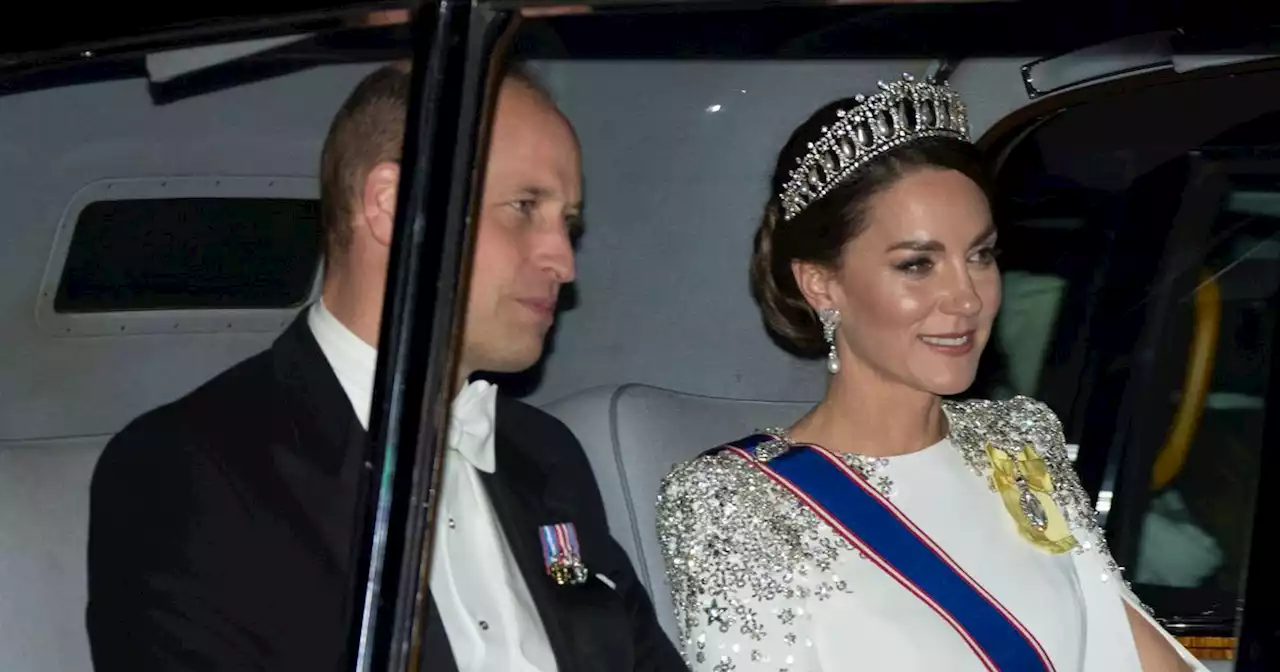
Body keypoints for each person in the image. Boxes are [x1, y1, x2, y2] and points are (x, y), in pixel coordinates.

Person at [86, 60, 684, 671]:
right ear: (393, 207)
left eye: (568, 223)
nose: (563, 259)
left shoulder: (546, 457)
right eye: (525, 206)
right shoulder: (190, 468)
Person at [655, 74, 1207, 671]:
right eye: (917, 264)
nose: (966, 297)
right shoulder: (739, 502)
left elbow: (1123, 644)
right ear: (821, 282)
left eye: (981, 255)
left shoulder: (1020, 445)